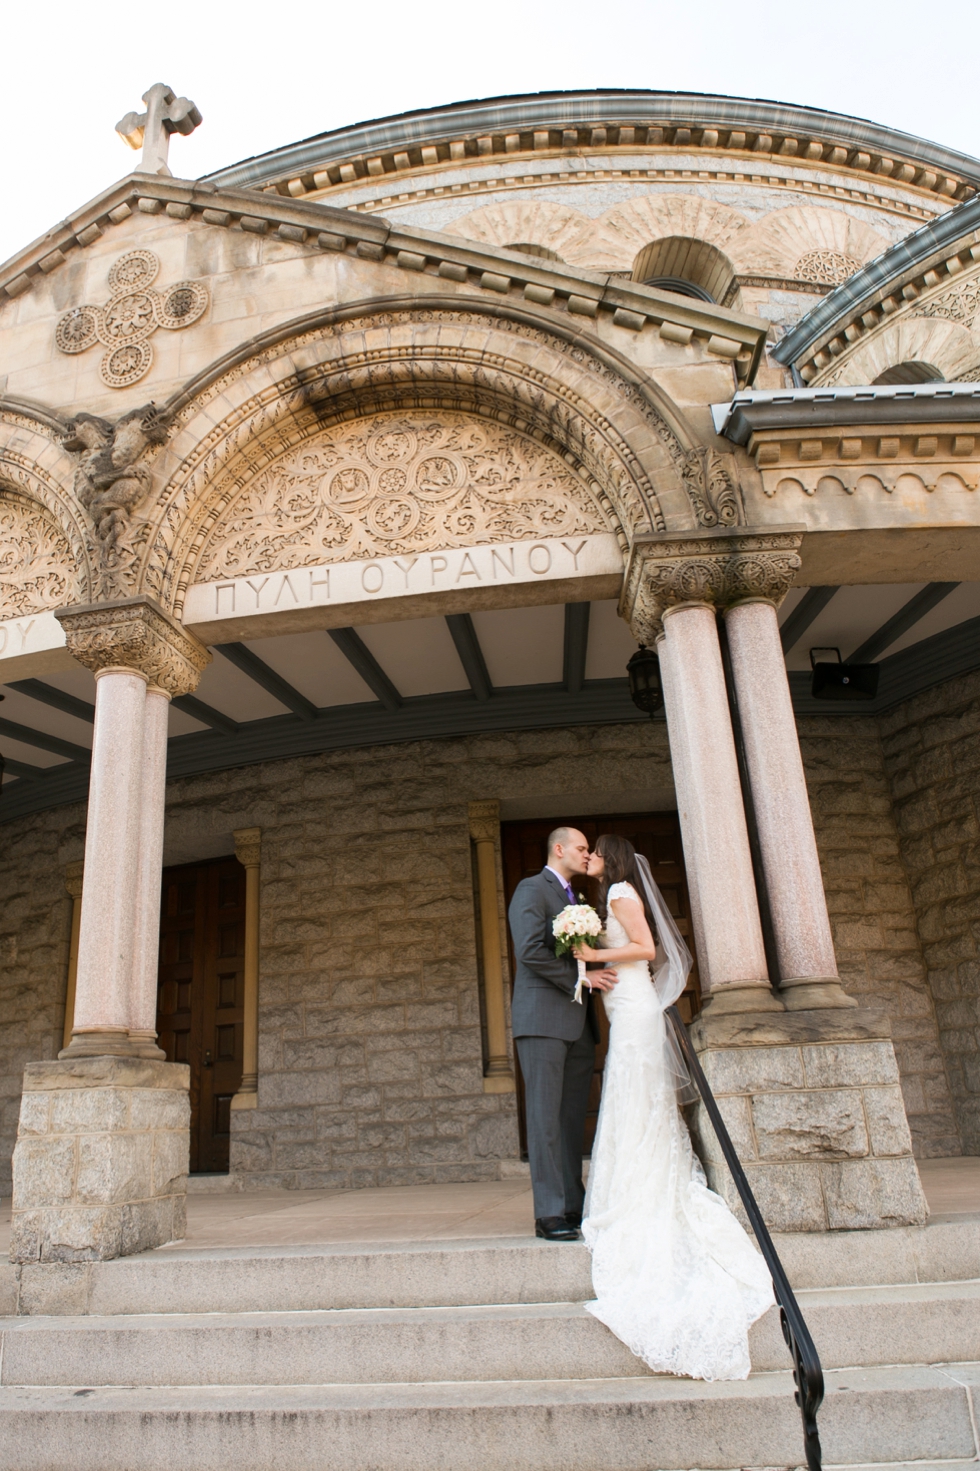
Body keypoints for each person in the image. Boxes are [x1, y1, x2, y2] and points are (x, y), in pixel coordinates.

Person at [572, 833, 773, 1381]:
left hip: (635, 1007)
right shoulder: (610, 893)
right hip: (627, 1005)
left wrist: (593, 954)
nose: (586, 856)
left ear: (608, 857)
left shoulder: (618, 894)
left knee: (634, 1093)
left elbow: (646, 951)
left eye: (593, 851)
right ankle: (637, 1172)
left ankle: (641, 1183)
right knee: (632, 1096)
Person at [507, 827, 618, 1242]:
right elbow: (530, 950)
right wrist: (583, 977)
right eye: (582, 848)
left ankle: (574, 1203)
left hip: (578, 1026)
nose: (587, 855)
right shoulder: (531, 889)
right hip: (542, 1021)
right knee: (544, 1118)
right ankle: (549, 1213)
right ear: (559, 849)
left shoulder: (577, 898)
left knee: (571, 1120)